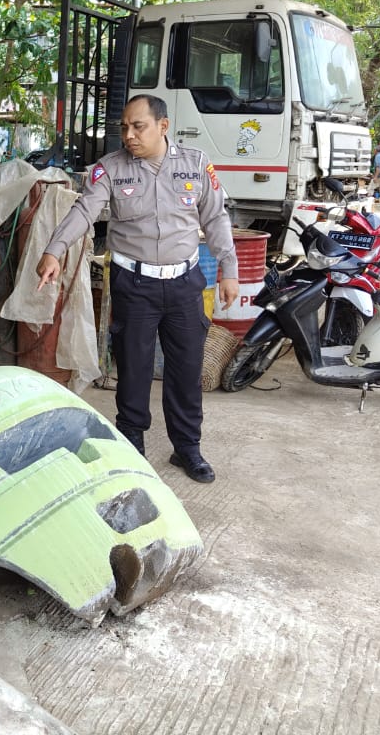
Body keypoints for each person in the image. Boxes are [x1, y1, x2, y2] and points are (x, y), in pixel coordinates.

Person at [36, 95, 239, 483]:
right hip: (135, 285)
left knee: (186, 371)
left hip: (184, 285)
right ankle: (131, 444)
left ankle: (187, 448)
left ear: (163, 126)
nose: (128, 135)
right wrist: (54, 250)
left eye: (138, 127)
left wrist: (228, 269)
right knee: (133, 369)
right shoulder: (109, 169)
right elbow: (84, 211)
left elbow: (215, 218)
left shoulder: (196, 164)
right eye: (124, 128)